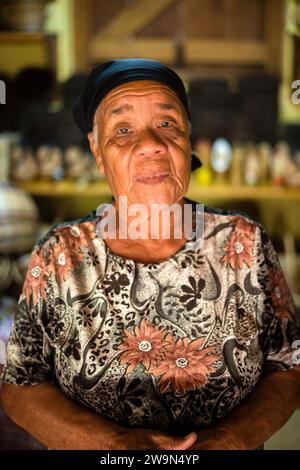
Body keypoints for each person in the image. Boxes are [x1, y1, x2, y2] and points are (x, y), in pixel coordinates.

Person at [1, 59, 300, 450]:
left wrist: (229, 441)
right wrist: (115, 445)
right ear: (96, 149)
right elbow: (21, 384)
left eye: (167, 124)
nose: (151, 145)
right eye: (123, 130)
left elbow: (288, 364)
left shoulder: (246, 243)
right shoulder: (60, 254)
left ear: (188, 138)